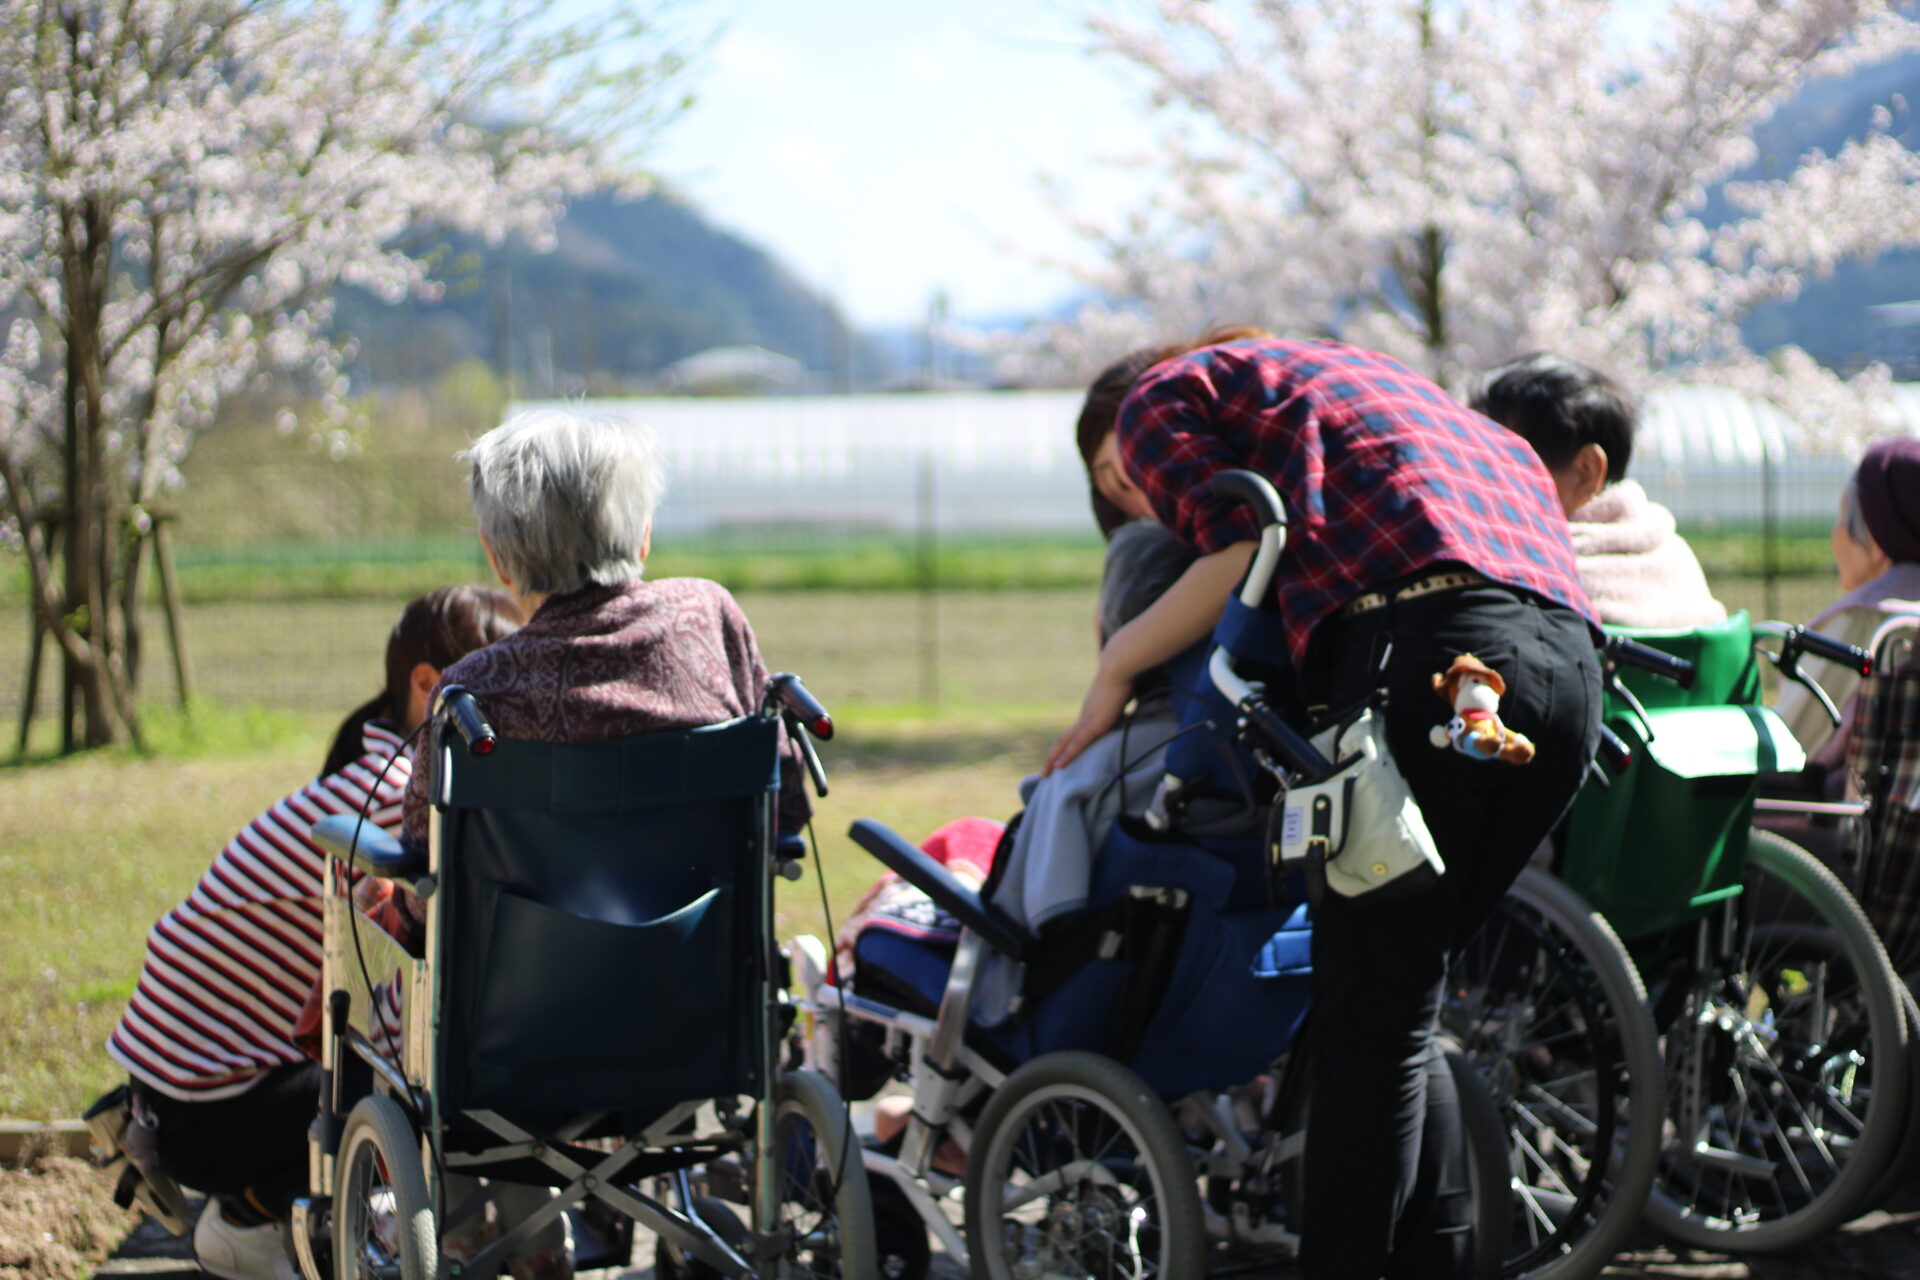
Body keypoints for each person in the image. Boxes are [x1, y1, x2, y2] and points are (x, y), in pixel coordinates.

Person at [1061, 331, 1601, 1280]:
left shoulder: (1157, 400)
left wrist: (1115, 666)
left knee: (1367, 1028)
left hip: (1433, 663)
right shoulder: (1386, 392)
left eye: (1125, 483)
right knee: (1397, 1001)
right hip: (1567, 677)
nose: (1141, 505)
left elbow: (1234, 550)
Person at [92, 586, 519, 1280]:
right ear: (429, 685)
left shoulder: (367, 777)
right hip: (211, 1110)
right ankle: (250, 1222)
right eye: (500, 681)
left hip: (186, 1086)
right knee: (417, 1067)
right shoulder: (399, 797)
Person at [1470, 352, 1726, 629]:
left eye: (1500, 462)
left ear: (1586, 472)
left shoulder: (1526, 581)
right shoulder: (1673, 556)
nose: (1476, 481)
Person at [1776, 437, 1920, 773]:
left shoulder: (1867, 620)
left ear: (1875, 539)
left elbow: (1788, 744)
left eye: (1842, 519)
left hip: (1840, 819)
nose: (1834, 535)